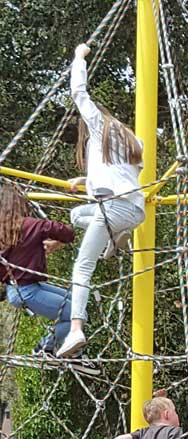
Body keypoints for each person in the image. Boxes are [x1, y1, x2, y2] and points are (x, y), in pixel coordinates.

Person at [57, 43, 145, 358]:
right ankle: (117, 239)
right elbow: (122, 175)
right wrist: (86, 182)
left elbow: (79, 92)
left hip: (113, 208)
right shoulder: (135, 141)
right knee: (76, 215)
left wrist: (79, 57)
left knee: (82, 267)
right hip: (133, 211)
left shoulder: (99, 126)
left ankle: (76, 328)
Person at [0, 182, 74, 356]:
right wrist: (57, 241)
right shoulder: (32, 225)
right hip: (27, 290)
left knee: (77, 300)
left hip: (19, 288)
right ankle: (44, 347)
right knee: (75, 315)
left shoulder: (5, 232)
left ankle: (73, 354)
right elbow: (67, 232)